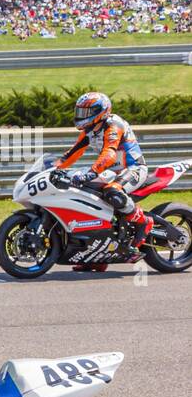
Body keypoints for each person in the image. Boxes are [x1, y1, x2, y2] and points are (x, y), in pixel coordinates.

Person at [55, 92, 152, 270]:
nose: (81, 116)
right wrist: (53, 170)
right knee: (86, 195)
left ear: (101, 111)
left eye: (87, 112)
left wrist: (91, 172)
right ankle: (98, 256)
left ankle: (143, 221)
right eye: (80, 112)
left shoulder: (113, 125)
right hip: (111, 170)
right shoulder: (89, 130)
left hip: (133, 169)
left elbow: (109, 153)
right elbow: (72, 154)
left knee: (112, 191)